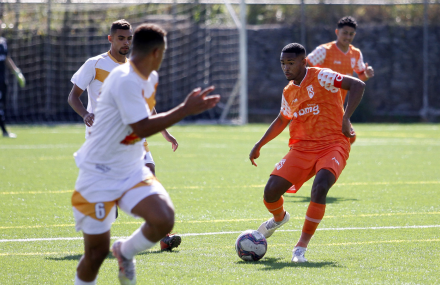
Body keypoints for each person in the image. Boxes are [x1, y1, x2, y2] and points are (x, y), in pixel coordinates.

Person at [71, 23, 220, 285]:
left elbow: (145, 119)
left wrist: (171, 125)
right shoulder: (123, 79)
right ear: (156, 52)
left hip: (130, 167)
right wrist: (185, 109)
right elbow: (141, 127)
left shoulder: (149, 78)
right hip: (98, 172)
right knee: (95, 255)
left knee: (163, 219)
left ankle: (125, 251)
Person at [68, 19, 180, 251]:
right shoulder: (95, 64)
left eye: (129, 38)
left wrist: (166, 133)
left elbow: (148, 106)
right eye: (121, 38)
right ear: (111, 39)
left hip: (133, 136)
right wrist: (85, 114)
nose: (125, 42)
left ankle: (163, 235)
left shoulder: (137, 68)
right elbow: (73, 96)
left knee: (150, 174)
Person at [249, 43, 365, 263]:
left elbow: (357, 85)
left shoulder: (323, 77)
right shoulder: (289, 90)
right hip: (302, 148)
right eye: (283, 63)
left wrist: (346, 117)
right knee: (270, 192)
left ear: (304, 62)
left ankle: (300, 248)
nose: (286, 68)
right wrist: (259, 144)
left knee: (320, 187)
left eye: (291, 63)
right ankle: (279, 218)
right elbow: (283, 119)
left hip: (333, 144)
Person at [306, 16, 374, 145]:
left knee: (348, 137)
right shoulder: (324, 51)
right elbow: (305, 69)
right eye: (345, 33)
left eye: (351, 34)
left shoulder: (355, 53)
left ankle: (325, 163)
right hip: (320, 104)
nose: (348, 37)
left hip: (338, 106)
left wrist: (367, 74)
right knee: (341, 137)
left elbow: (361, 77)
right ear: (337, 32)